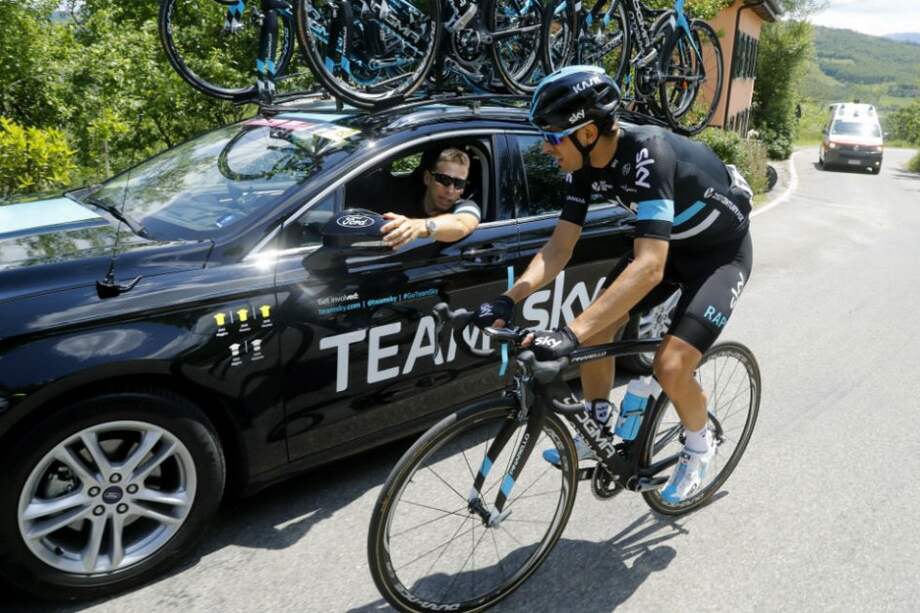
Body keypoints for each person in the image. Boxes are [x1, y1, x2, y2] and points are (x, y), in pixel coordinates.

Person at [474, 65, 754, 504]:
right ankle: (597, 423)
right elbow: (559, 248)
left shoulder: (650, 151)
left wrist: (568, 336)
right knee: (597, 326)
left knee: (671, 365)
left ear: (586, 133)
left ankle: (700, 446)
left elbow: (649, 268)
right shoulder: (582, 166)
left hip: (718, 257)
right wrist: (509, 299)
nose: (546, 148)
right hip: (667, 247)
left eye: (551, 136)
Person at [380, 148, 481, 249]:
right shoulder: (403, 199)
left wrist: (420, 226)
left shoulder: (466, 206)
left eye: (459, 184)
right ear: (427, 178)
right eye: (444, 179)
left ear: (463, 189)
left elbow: (461, 223)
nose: (450, 190)